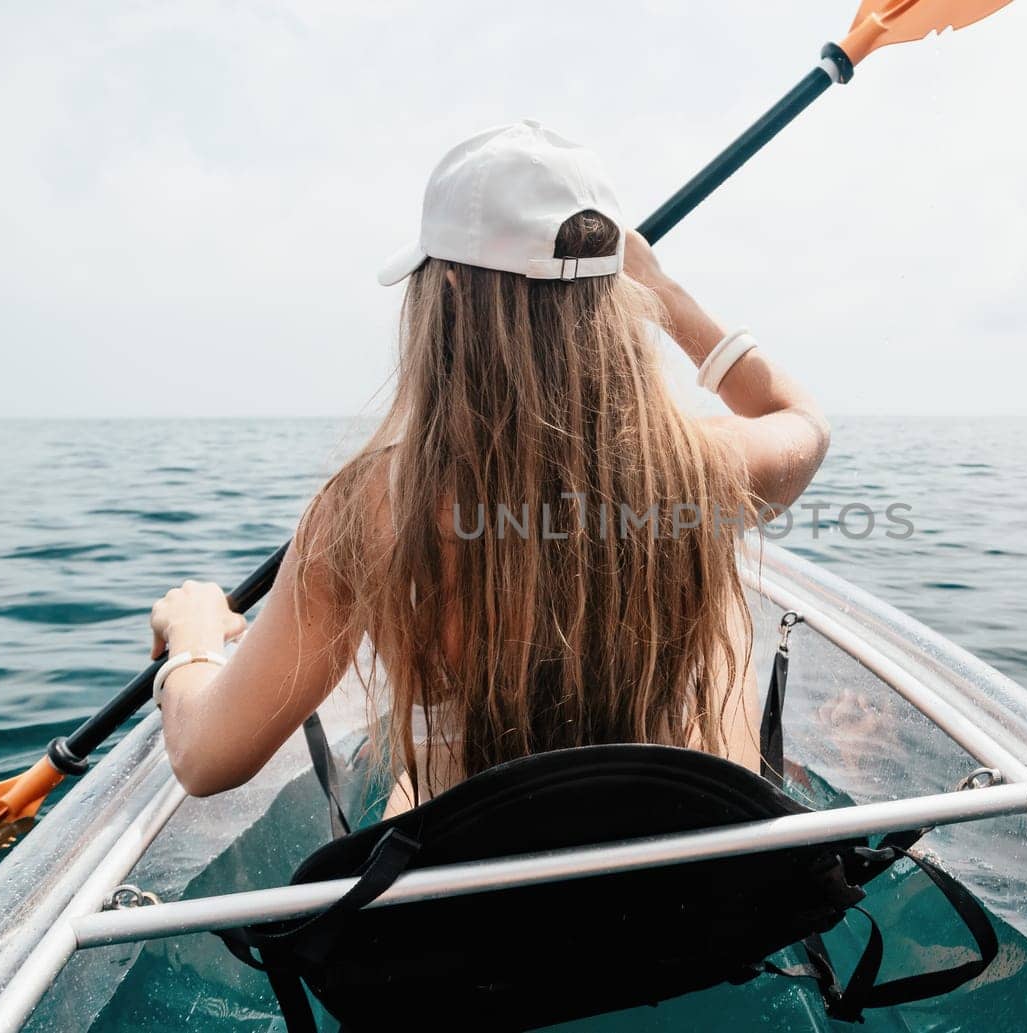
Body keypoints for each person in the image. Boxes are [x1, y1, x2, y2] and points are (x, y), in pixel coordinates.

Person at [146, 121, 830, 815]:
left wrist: (195, 637)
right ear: (614, 294)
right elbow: (803, 422)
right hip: (673, 898)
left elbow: (206, 758)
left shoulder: (370, 511)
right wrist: (665, 291)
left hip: (474, 909)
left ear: (443, 290)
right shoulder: (700, 471)